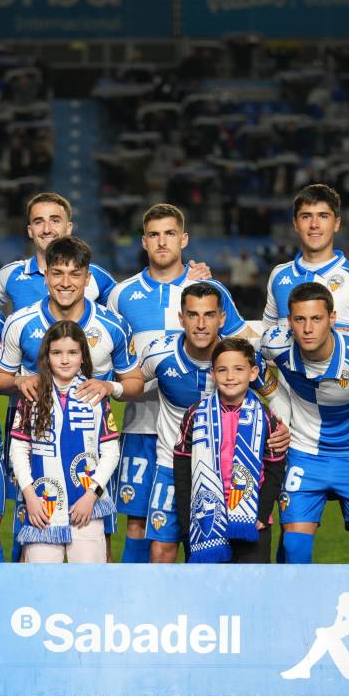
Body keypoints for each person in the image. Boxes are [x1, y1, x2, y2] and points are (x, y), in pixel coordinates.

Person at [107, 203, 247, 564]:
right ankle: (137, 596)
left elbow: (241, 346)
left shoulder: (206, 288)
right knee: (139, 523)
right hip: (141, 426)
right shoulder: (122, 294)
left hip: (202, 434)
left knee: (200, 525)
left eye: (170, 233)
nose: (162, 242)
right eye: (153, 235)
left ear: (183, 239)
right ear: (143, 242)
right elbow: (115, 357)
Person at [0, 235, 143, 561]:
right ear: (46, 276)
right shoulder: (20, 321)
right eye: (57, 273)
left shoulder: (112, 324)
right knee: (31, 552)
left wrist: (110, 388)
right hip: (37, 451)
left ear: (87, 278)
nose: (65, 282)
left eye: (75, 274)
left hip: (90, 459)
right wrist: (19, 380)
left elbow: (134, 383)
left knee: (95, 551)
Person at [140, 284, 288, 563]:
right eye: (192, 315)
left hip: (236, 476)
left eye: (209, 315)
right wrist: (111, 387)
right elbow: (132, 382)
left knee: (246, 563)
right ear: (181, 318)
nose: (200, 324)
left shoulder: (240, 356)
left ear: (222, 318)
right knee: (163, 550)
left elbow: (277, 397)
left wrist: (282, 429)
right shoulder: (158, 353)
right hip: (176, 465)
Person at [261, 282, 349, 564]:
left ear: (332, 318)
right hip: (304, 453)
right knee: (294, 546)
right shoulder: (275, 343)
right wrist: (274, 394)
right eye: (300, 319)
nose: (308, 328)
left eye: (316, 318)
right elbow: (246, 355)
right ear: (289, 321)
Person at [10, 322, 121, 563]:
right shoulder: (32, 394)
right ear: (46, 357)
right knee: (41, 580)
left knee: (89, 579)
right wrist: (30, 497)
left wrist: (91, 496)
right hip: (42, 507)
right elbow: (18, 450)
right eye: (56, 353)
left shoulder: (95, 394)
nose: (64, 360)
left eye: (72, 352)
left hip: (87, 506)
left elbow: (111, 452)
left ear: (83, 356)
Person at [172, 337, 283, 563]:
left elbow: (275, 468)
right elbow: (182, 469)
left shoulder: (266, 416)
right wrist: (186, 521)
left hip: (251, 518)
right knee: (206, 584)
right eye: (222, 370)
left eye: (239, 369)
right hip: (206, 519)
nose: (230, 377)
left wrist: (262, 513)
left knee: (251, 583)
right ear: (213, 374)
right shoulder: (195, 414)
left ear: (253, 373)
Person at [264, 184, 349, 350]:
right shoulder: (279, 275)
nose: (314, 224)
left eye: (323, 216)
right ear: (295, 224)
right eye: (306, 216)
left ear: (336, 223)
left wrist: (338, 339)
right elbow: (266, 335)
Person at [0, 192, 116, 313]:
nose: (47, 230)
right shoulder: (11, 273)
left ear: (68, 228)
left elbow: (121, 315)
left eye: (55, 221)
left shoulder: (95, 276)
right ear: (30, 231)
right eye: (39, 222)